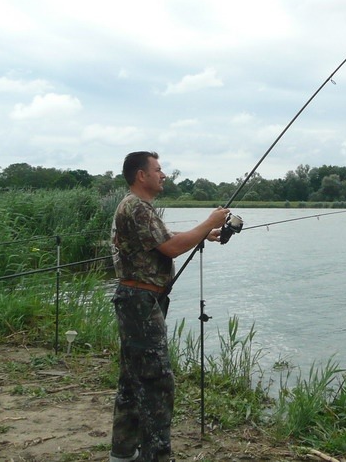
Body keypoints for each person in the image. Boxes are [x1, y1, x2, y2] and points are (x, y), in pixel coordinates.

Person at [109, 151, 230, 462]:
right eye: (158, 170)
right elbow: (171, 247)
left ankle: (122, 454)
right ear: (141, 175)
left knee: (132, 380)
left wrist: (206, 233)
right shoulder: (137, 207)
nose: (163, 175)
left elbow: (163, 238)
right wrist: (210, 221)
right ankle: (155, 456)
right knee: (157, 383)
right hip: (140, 303)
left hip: (140, 301)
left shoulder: (137, 207)